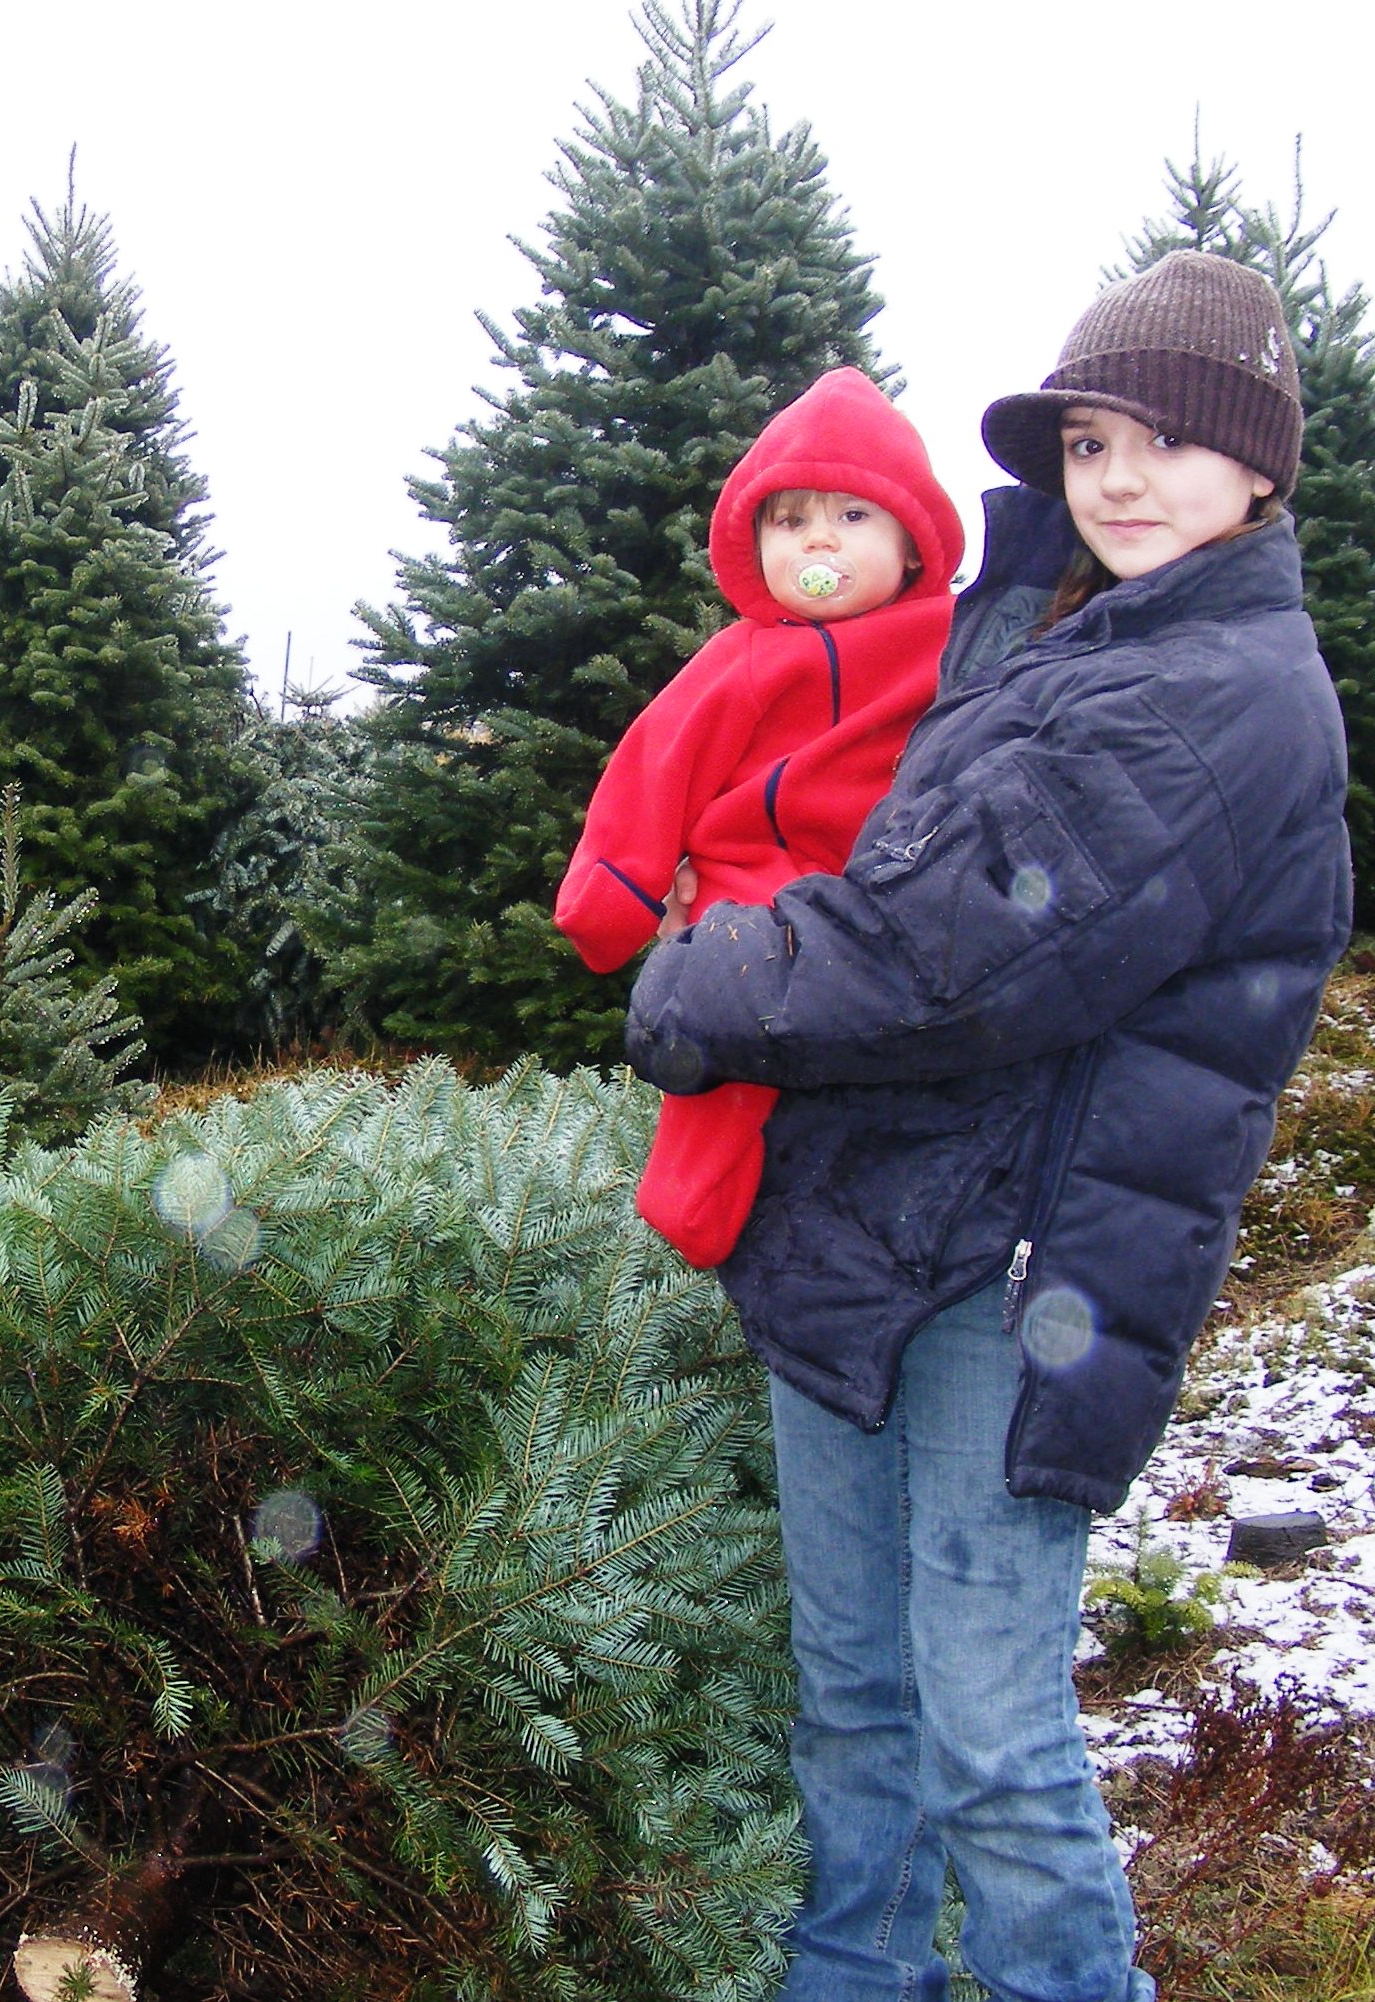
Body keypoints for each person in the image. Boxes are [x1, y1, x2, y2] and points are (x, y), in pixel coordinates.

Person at [627, 251, 1350, 2000]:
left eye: (1169, 443)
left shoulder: (1221, 691)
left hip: (1022, 1281)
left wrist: (693, 979)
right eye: (1091, 439)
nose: (1118, 477)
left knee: (992, 1739)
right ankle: (851, 1974)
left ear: (1257, 469)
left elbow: (944, 952)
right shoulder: (1055, 625)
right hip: (873, 1231)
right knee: (856, 1697)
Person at [555, 366, 963, 1266]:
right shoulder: (741, 659)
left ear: (911, 542)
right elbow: (655, 766)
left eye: (853, 517)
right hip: (755, 888)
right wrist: (608, 903)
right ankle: (692, 1205)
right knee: (727, 1061)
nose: (821, 539)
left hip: (892, 894)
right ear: (758, 545)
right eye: (791, 521)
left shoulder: (956, 646)